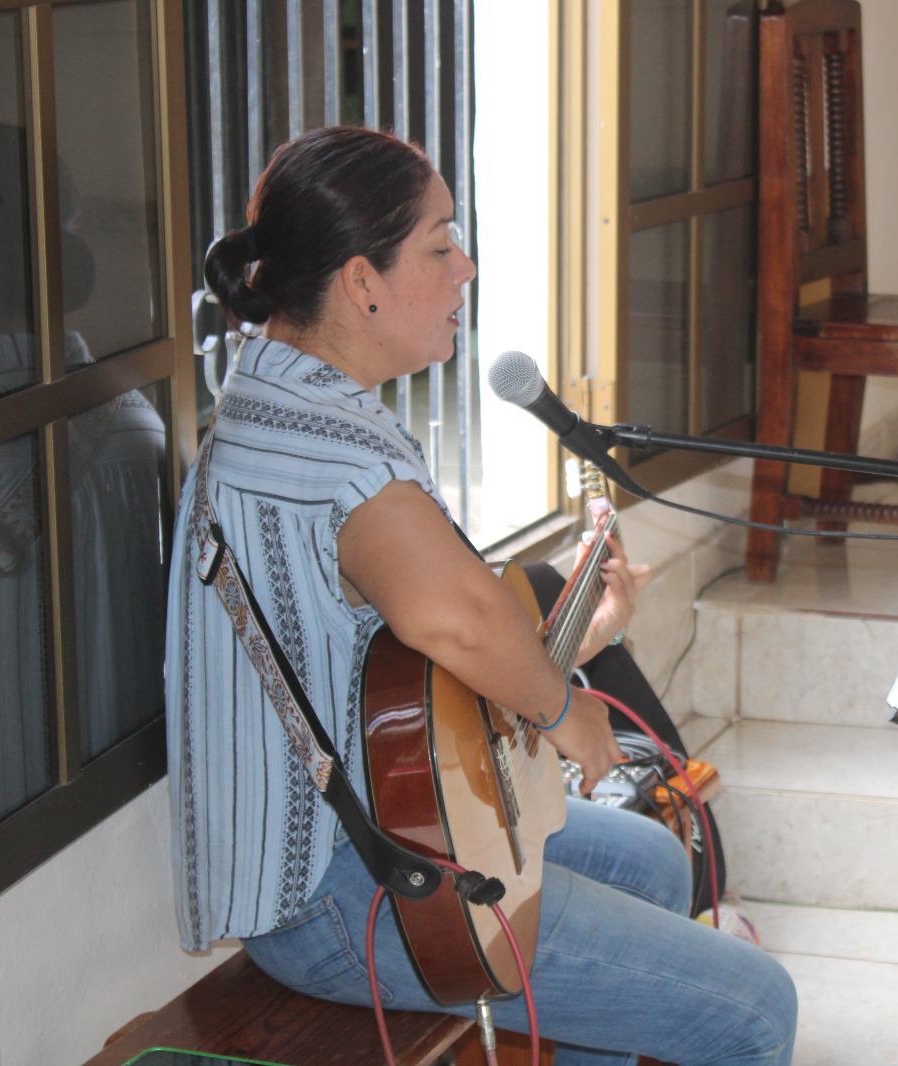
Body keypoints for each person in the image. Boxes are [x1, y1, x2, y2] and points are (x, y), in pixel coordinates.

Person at [164, 126, 797, 1065]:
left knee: (653, 859)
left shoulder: (287, 396)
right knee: (749, 1009)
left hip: (373, 820)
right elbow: (450, 617)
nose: (468, 266)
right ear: (361, 282)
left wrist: (563, 651)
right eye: (441, 243)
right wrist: (568, 712)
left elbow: (409, 641)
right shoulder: (327, 448)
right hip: (336, 887)